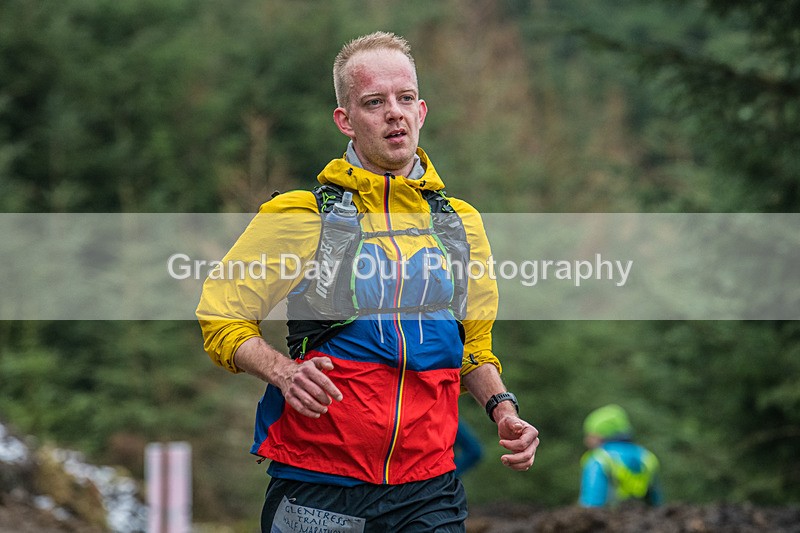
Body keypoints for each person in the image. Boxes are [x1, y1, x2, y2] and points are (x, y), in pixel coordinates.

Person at [197, 31, 538, 532]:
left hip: (430, 491)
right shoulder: (300, 215)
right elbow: (221, 316)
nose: (393, 113)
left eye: (404, 99)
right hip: (319, 485)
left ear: (421, 111)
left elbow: (473, 350)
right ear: (346, 120)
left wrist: (502, 407)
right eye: (374, 102)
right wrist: (282, 371)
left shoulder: (460, 224)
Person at [579, 404, 663, 507]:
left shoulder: (600, 459)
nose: (586, 440)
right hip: (642, 520)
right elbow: (657, 502)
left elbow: (591, 503)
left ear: (600, 434)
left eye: (590, 434)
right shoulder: (647, 457)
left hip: (609, 520)